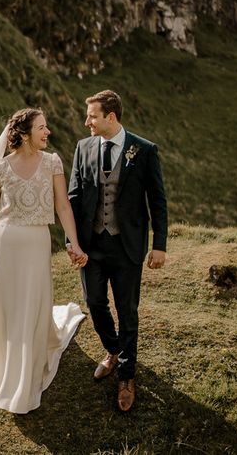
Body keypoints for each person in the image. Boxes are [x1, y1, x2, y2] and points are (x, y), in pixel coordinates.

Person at [0, 108, 88, 414]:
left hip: (36, 243)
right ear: (24, 134)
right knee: (9, 306)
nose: (48, 132)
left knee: (34, 302)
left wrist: (73, 242)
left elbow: (63, 206)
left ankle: (29, 368)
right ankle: (10, 367)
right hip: (4, 243)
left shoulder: (52, 162)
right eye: (42, 127)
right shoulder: (0, 167)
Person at [67, 90, 168, 412]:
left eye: (92, 116)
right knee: (94, 302)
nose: (87, 123)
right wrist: (72, 241)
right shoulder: (83, 148)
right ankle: (113, 351)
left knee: (127, 310)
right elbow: (73, 196)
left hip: (127, 247)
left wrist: (159, 245)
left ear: (111, 117)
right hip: (92, 245)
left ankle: (126, 375)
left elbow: (158, 201)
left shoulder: (145, 150)